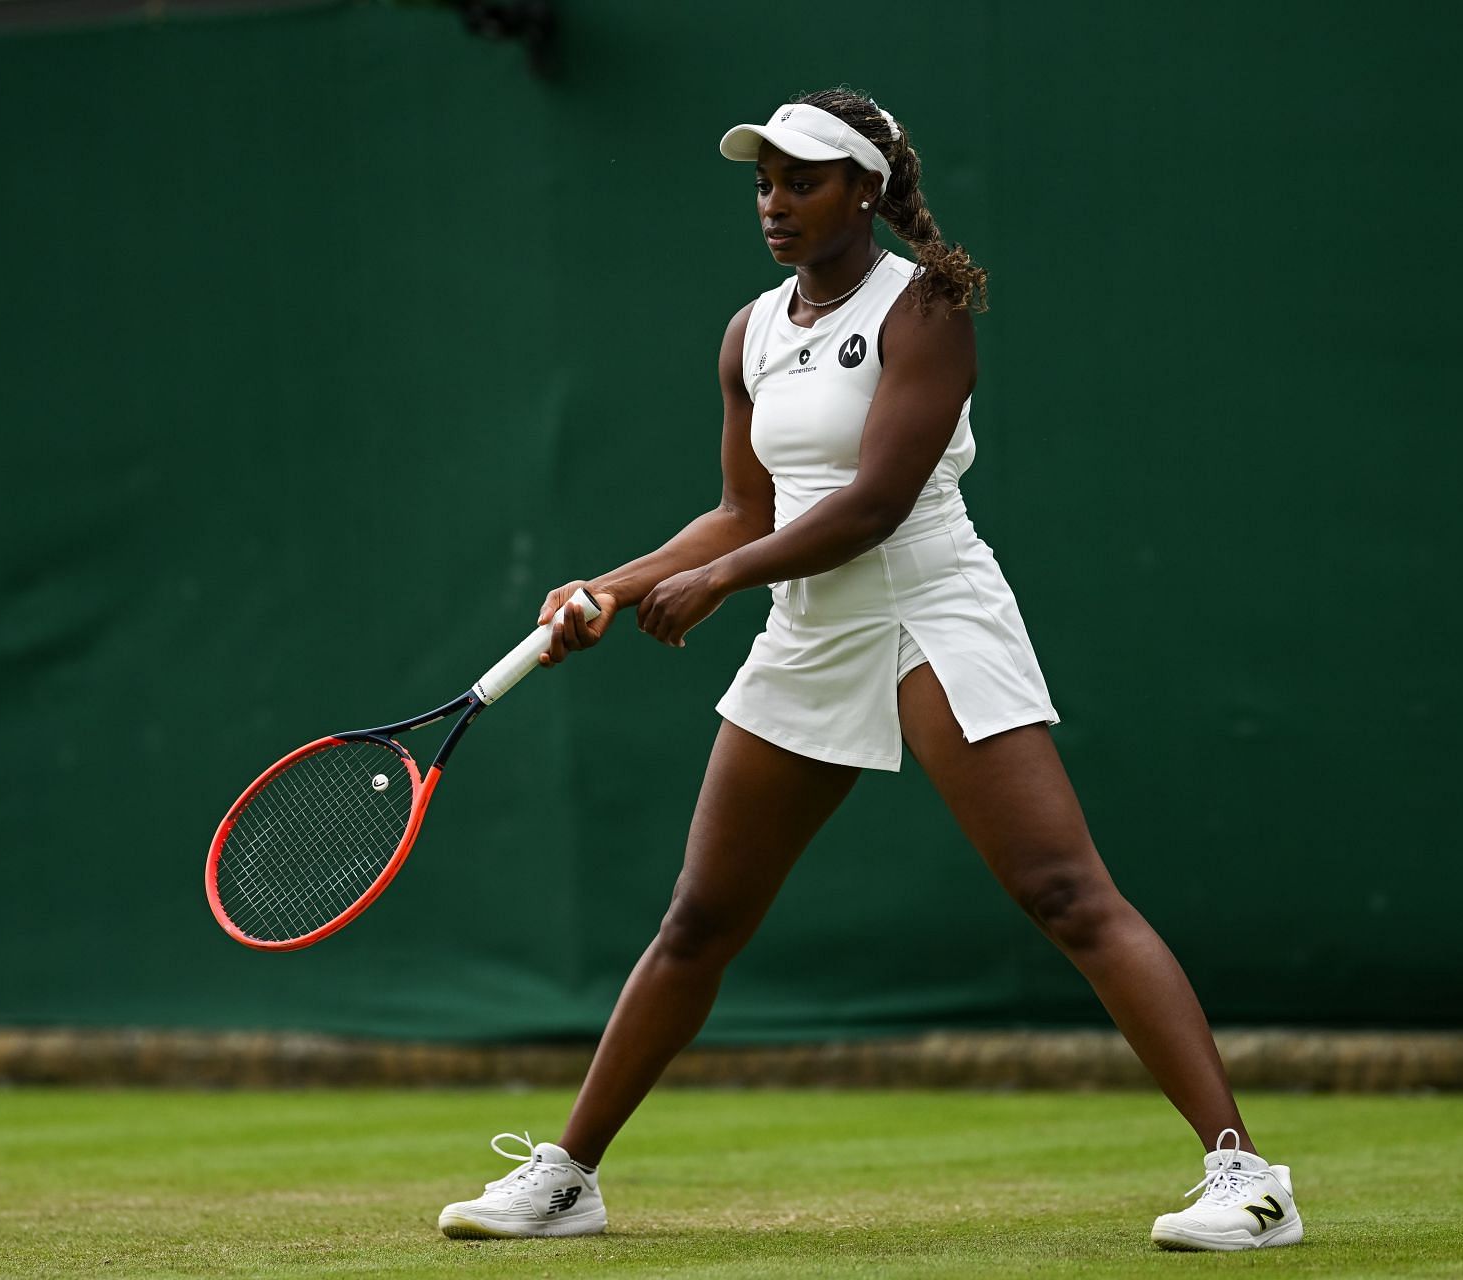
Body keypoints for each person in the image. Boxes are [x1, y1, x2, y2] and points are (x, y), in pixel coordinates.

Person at [436, 88, 1304, 1253]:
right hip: (810, 626)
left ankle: (1247, 1176)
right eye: (762, 182)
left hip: (933, 608)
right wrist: (623, 582)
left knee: (1065, 891)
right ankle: (569, 1176)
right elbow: (746, 506)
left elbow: (877, 502)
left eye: (802, 180)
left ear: (867, 190)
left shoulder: (928, 305)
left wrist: (723, 583)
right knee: (699, 919)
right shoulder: (749, 330)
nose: (775, 203)